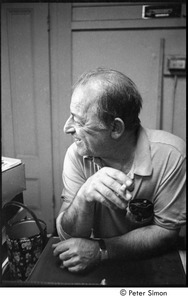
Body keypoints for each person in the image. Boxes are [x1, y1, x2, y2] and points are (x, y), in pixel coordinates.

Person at [52, 67, 186, 273]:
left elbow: (167, 232)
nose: (67, 128)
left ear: (115, 128)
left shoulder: (172, 155)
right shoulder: (77, 153)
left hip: (151, 265)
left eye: (79, 121)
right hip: (96, 266)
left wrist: (101, 250)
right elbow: (67, 236)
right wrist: (83, 196)